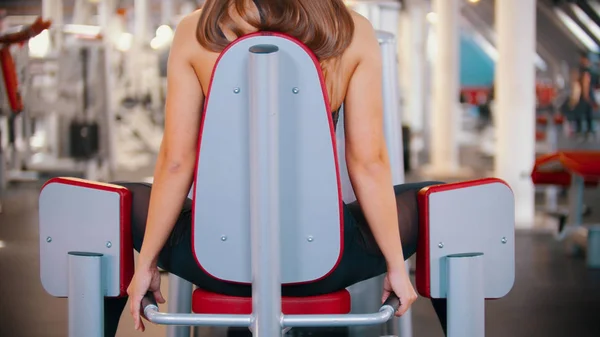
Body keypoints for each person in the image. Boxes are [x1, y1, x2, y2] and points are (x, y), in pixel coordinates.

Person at [107, 1, 448, 336]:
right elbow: (367, 162)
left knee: (108, 203)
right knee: (442, 203)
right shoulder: (353, 31)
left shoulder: (195, 30)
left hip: (215, 261)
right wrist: (396, 267)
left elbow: (177, 162)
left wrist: (146, 265)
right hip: (328, 261)